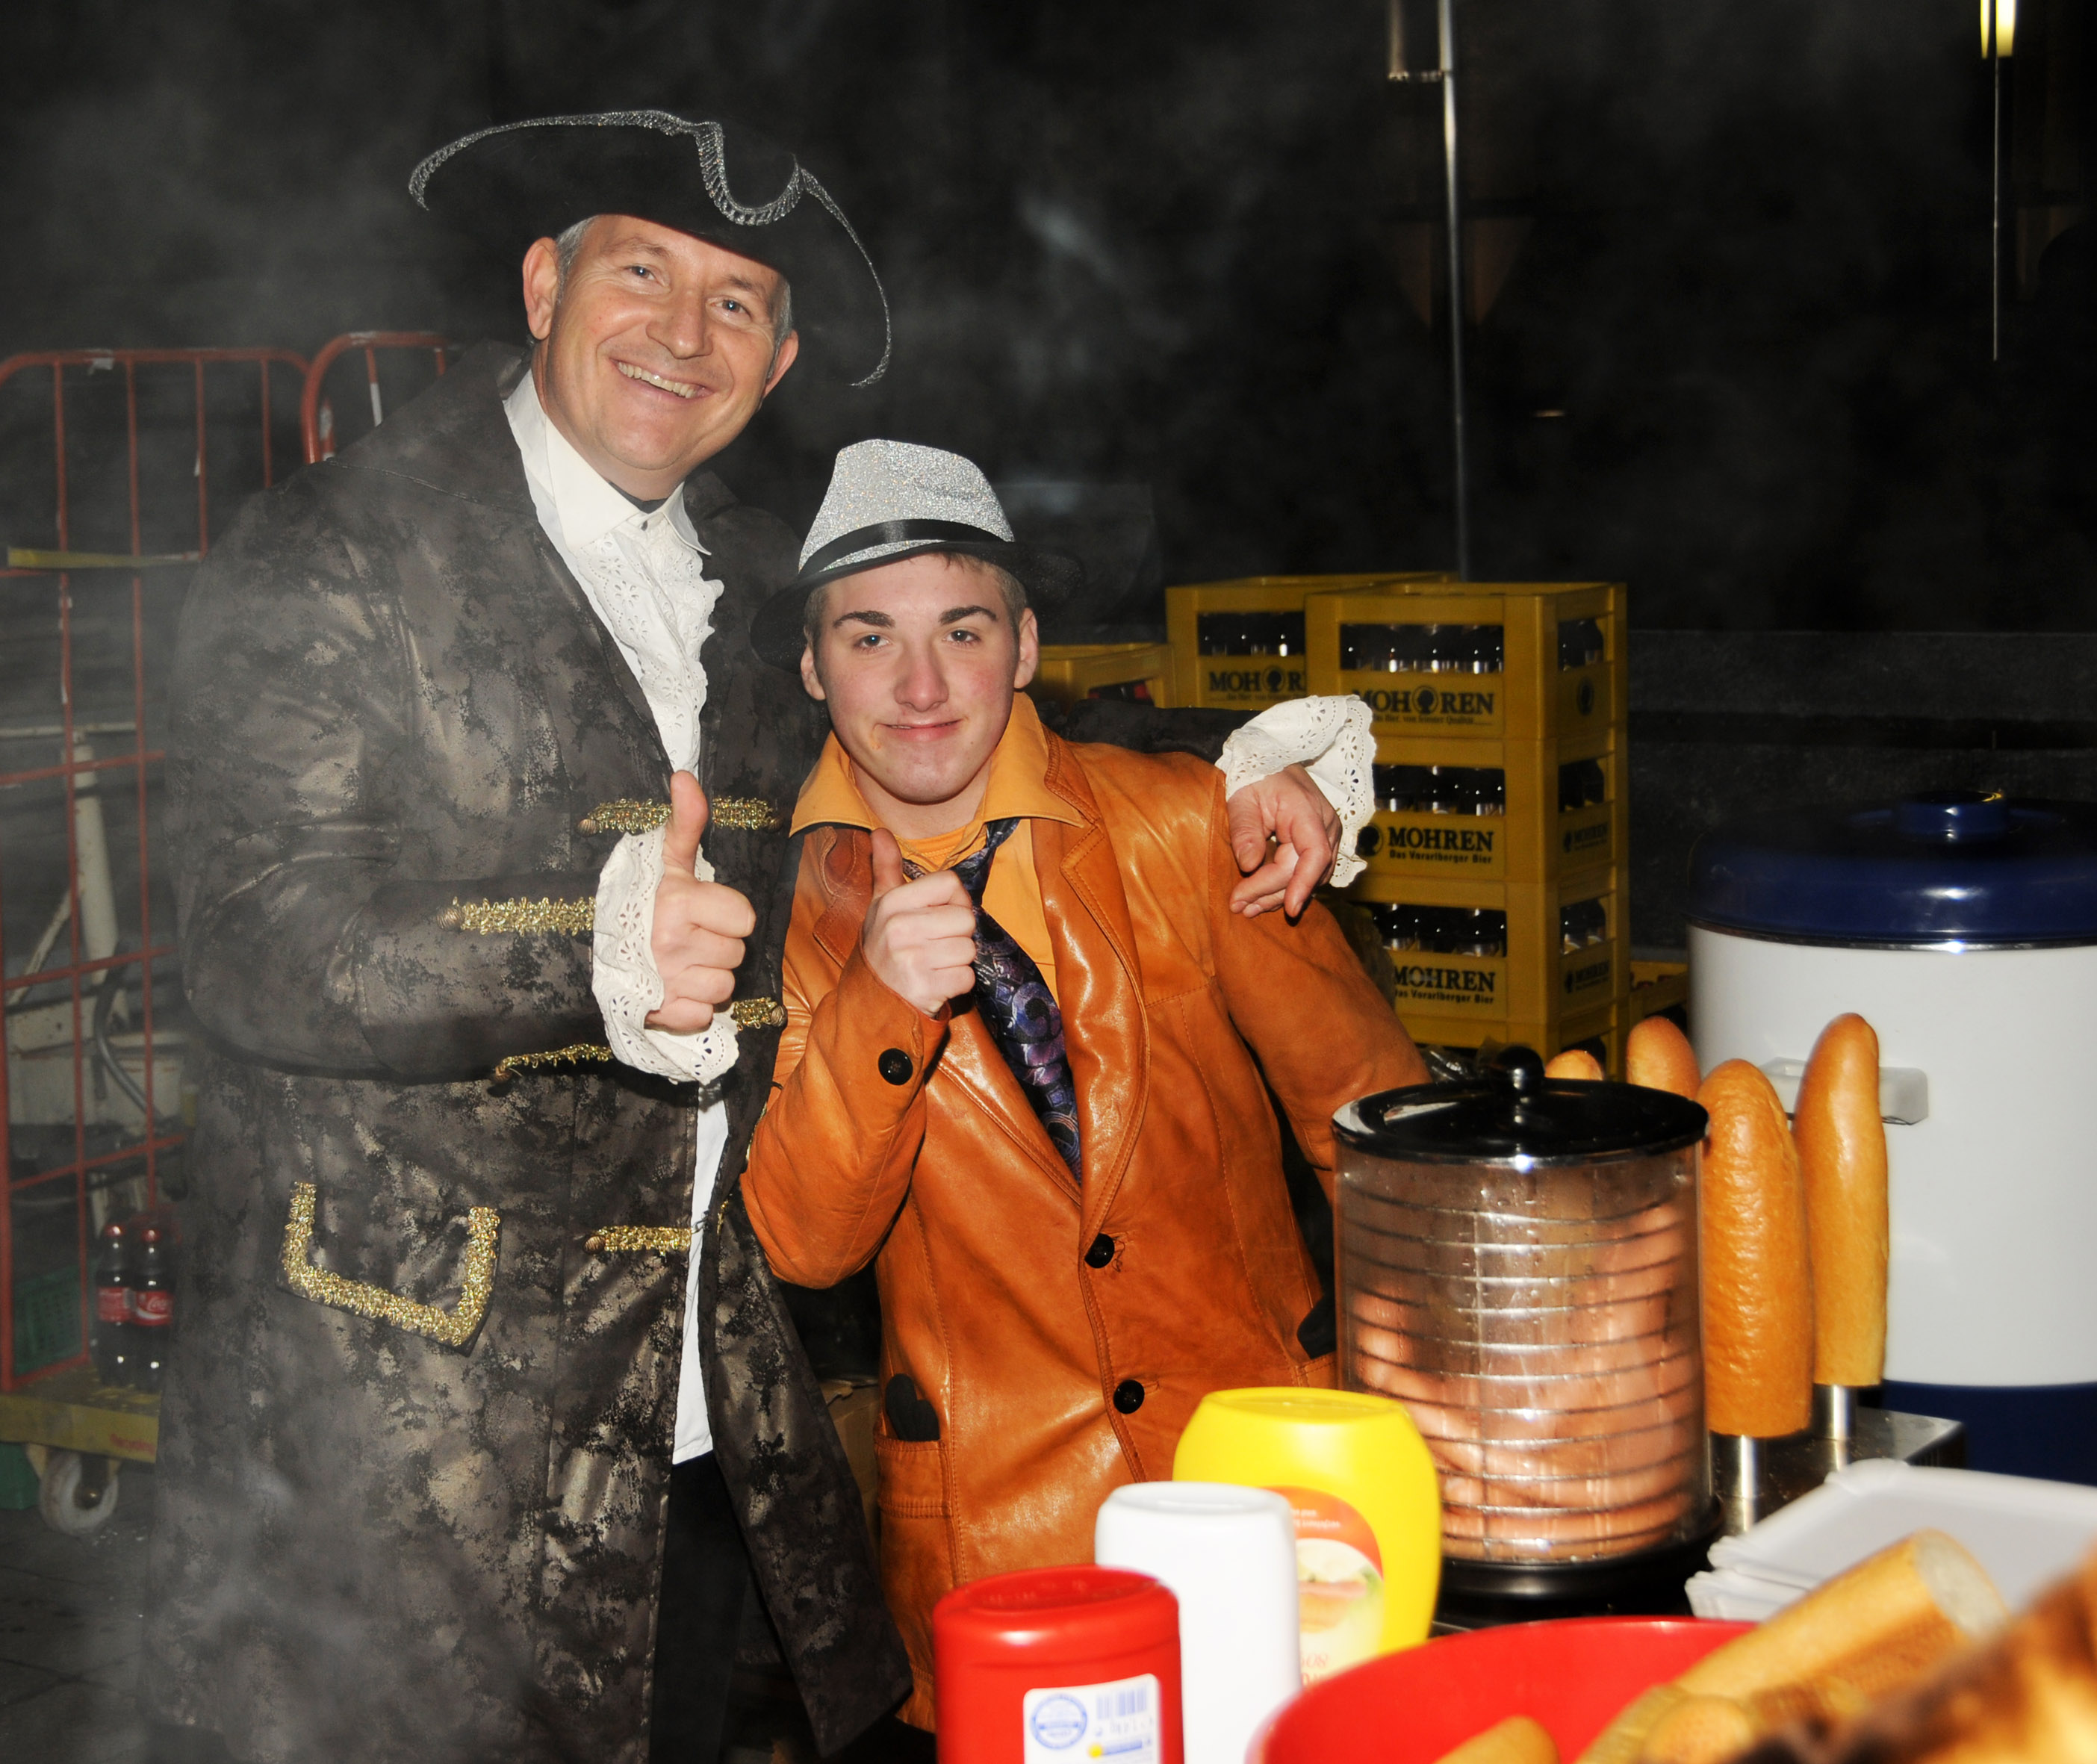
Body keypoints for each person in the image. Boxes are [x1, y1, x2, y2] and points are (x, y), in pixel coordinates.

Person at [143, 111, 1359, 1764]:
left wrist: (1246, 765)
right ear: (544, 285)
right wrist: (584, 949)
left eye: (736, 303)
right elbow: (250, 931)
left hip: (693, 1400)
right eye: (642, 272)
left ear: (777, 364)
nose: (683, 332)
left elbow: (943, 721)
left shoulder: (752, 579)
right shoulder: (332, 543)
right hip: (401, 1419)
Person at [740, 441, 1432, 1727]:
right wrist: (876, 1004)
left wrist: (1441, 1431)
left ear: (1026, 644)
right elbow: (806, 1243)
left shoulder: (1190, 823)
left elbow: (1381, 1147)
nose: (923, 684)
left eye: (963, 629)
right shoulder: (781, 915)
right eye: (870, 636)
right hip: (1002, 1543)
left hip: (1272, 1497)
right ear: (812, 666)